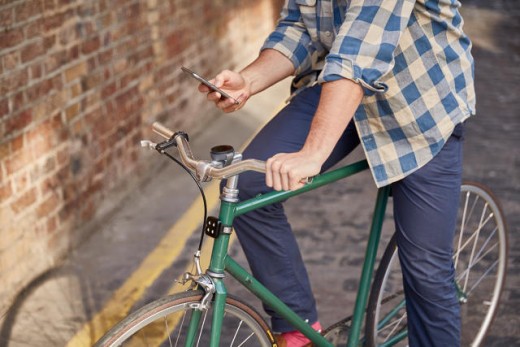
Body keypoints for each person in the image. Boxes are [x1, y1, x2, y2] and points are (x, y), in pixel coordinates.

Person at [198, 0, 475, 346]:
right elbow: (300, 25)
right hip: (337, 87)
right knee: (247, 184)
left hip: (419, 102)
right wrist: (248, 81)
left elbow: (358, 53)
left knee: (426, 272)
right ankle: (297, 329)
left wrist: (313, 153)